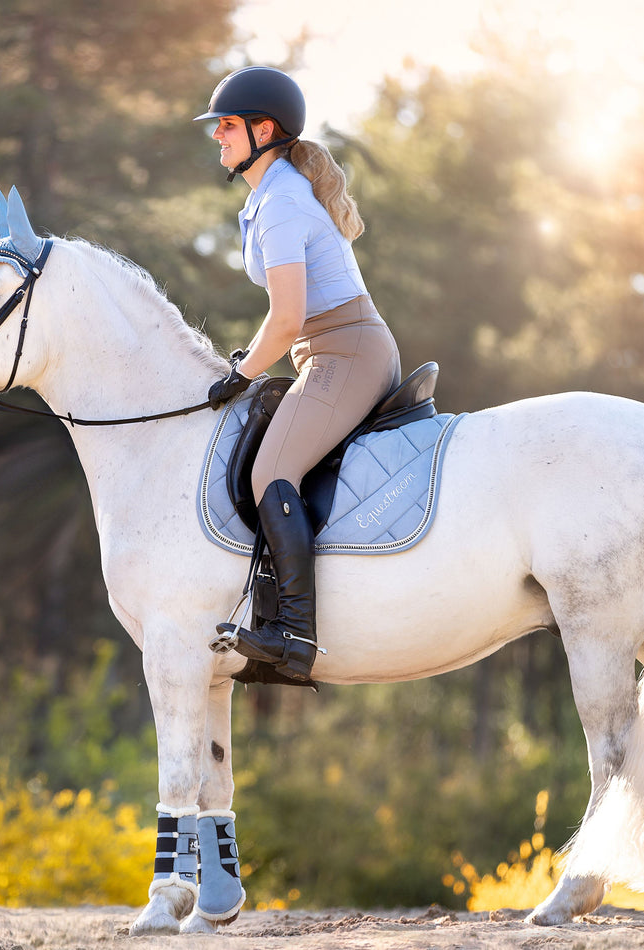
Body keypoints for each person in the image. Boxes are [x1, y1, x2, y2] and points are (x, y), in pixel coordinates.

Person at [198, 65, 402, 682]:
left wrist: (240, 372)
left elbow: (285, 320)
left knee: (270, 469)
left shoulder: (283, 198)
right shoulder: (272, 194)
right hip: (330, 350)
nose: (218, 137)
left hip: (344, 352)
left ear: (264, 130)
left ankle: (294, 634)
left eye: (228, 126)